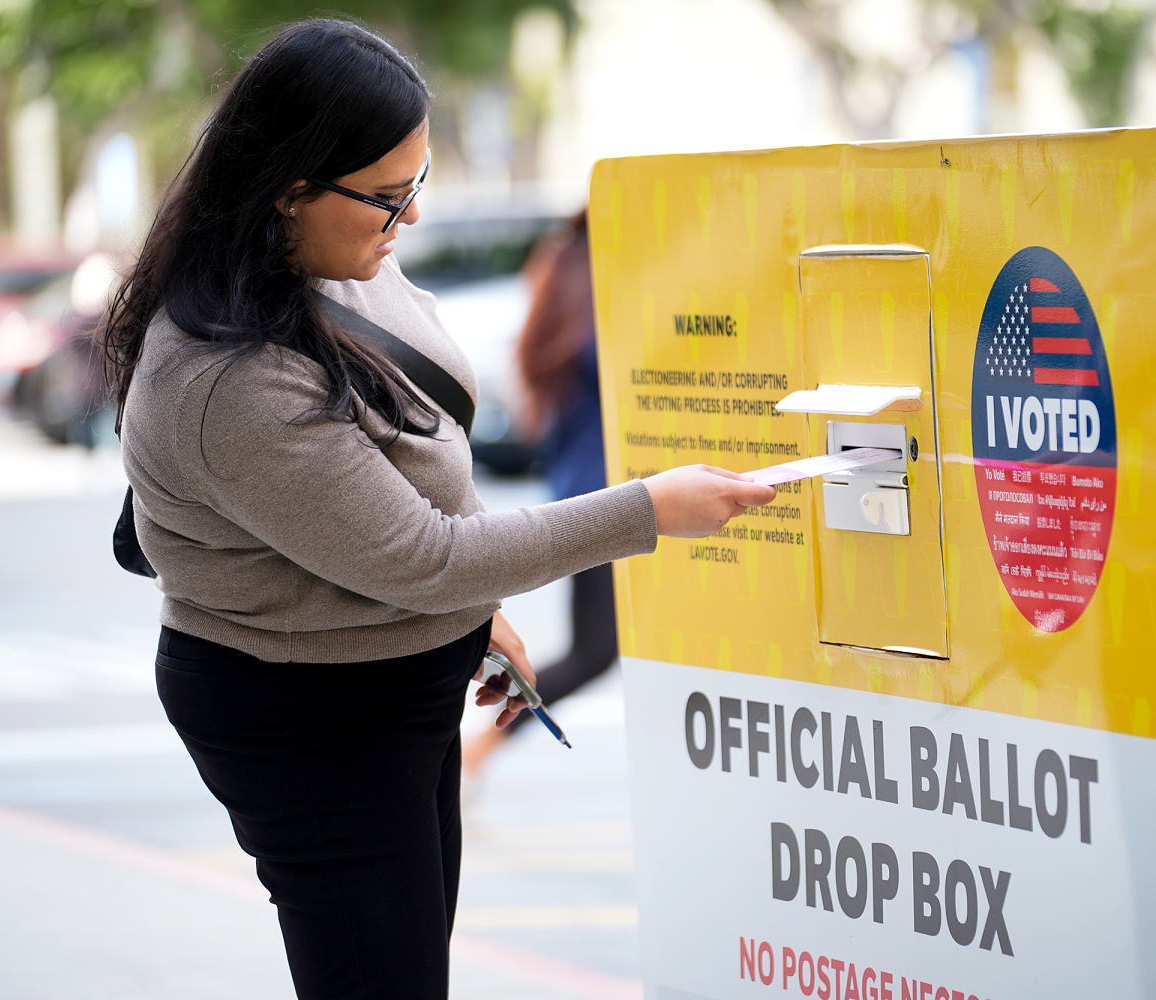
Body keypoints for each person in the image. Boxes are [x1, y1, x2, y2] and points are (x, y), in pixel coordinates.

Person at [99, 19, 775, 1000]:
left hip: (388, 676)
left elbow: (410, 486)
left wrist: (472, 619)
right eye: (387, 196)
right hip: (309, 714)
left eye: (419, 184)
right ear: (288, 186)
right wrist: (647, 511)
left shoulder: (333, 258)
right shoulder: (227, 375)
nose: (408, 219)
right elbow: (420, 556)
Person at [462, 209, 614, 775]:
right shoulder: (604, 284)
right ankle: (474, 756)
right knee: (596, 651)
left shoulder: (565, 268)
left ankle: (475, 756)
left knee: (599, 648)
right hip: (613, 498)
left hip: (585, 490)